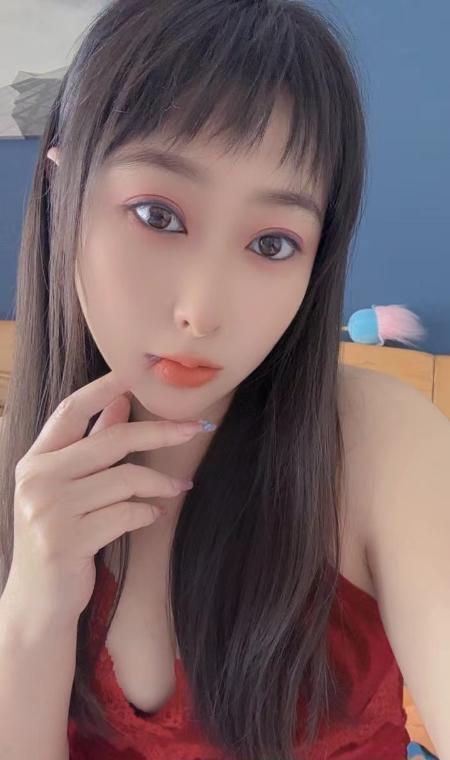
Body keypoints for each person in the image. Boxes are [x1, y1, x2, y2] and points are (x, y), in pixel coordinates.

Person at [0, 1, 448, 759]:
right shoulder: (21, 478)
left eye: (272, 243)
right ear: (62, 192)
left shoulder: (380, 445)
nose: (202, 312)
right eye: (157, 214)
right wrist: (34, 610)